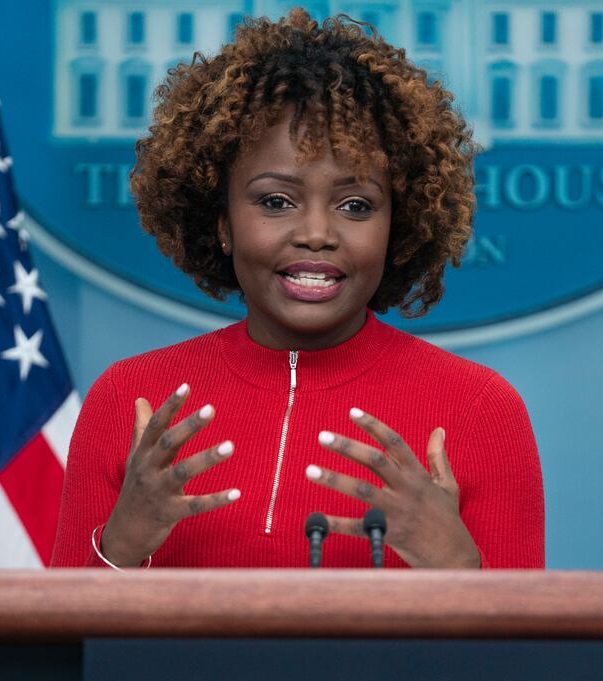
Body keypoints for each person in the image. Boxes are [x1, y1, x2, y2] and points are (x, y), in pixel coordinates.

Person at [50, 9, 544, 570]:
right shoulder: (131, 400)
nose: (316, 233)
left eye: (355, 205)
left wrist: (456, 566)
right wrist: (121, 545)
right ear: (221, 221)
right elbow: (60, 654)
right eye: (275, 201)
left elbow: (527, 656)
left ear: (398, 224)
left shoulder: (479, 409)